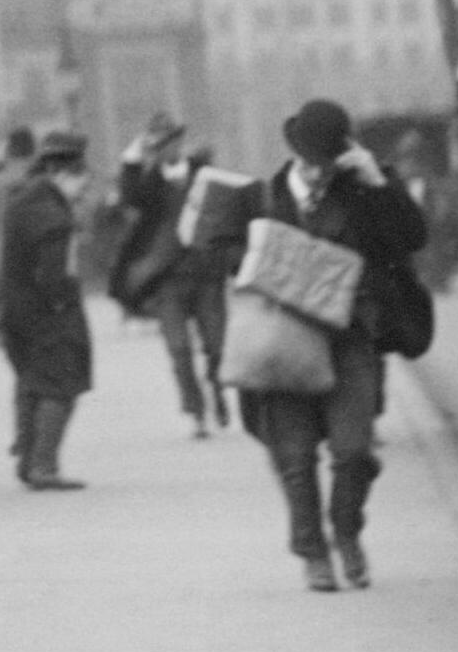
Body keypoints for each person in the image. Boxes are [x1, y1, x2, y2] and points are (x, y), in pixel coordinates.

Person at [228, 98, 428, 592]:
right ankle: (312, 552)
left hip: (349, 340)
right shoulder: (263, 201)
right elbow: (225, 255)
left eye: (327, 164)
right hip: (283, 342)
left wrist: (379, 185)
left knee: (353, 450)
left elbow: (409, 238)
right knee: (294, 459)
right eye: (311, 164)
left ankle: (347, 533)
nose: (319, 175)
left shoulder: (363, 193)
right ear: (296, 156)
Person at [111, 115, 230, 439]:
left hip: (206, 275)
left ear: (180, 141)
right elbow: (128, 195)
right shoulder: (148, 183)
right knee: (179, 349)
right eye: (159, 145)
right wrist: (131, 158)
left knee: (216, 346)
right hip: (167, 278)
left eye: (172, 141)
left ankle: (218, 393)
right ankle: (196, 413)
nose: (168, 149)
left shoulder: (202, 174)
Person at [0, 129, 97, 489]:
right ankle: (44, 466)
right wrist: (64, 302)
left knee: (31, 384)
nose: (83, 192)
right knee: (59, 385)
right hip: (46, 314)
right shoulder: (53, 215)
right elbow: (53, 274)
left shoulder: (22, 200)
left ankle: (26, 460)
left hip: (14, 310)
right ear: (64, 174)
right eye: (82, 182)